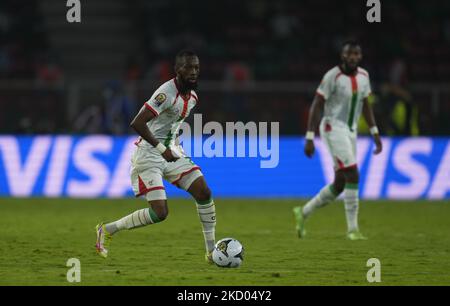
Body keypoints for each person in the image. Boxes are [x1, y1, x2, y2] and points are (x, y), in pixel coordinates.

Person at [95, 50, 216, 263]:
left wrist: (172, 148)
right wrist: (162, 149)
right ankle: (107, 229)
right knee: (160, 213)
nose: (194, 72)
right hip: (149, 154)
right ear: (178, 70)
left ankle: (211, 252)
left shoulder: (193, 96)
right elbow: (137, 123)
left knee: (204, 192)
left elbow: (170, 126)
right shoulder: (165, 93)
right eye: (189, 67)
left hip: (171, 151)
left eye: (196, 67)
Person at [293, 40, 383, 240]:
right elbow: (317, 104)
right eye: (349, 54)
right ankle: (353, 230)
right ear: (343, 56)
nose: (352, 57)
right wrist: (309, 136)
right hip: (332, 127)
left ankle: (303, 212)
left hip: (350, 132)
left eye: (356, 54)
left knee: (340, 183)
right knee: (353, 173)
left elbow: (366, 105)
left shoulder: (364, 77)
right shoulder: (332, 76)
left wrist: (375, 132)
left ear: (360, 57)